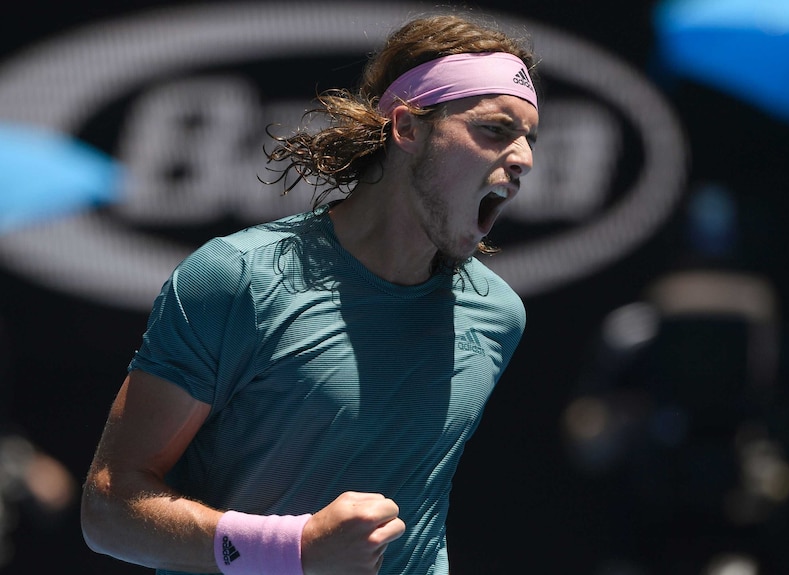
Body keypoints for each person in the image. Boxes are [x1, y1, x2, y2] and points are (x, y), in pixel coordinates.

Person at [81, 11, 540, 575]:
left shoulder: (497, 316)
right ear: (408, 129)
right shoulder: (236, 279)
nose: (523, 159)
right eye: (495, 129)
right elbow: (109, 510)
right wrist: (292, 550)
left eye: (528, 138)